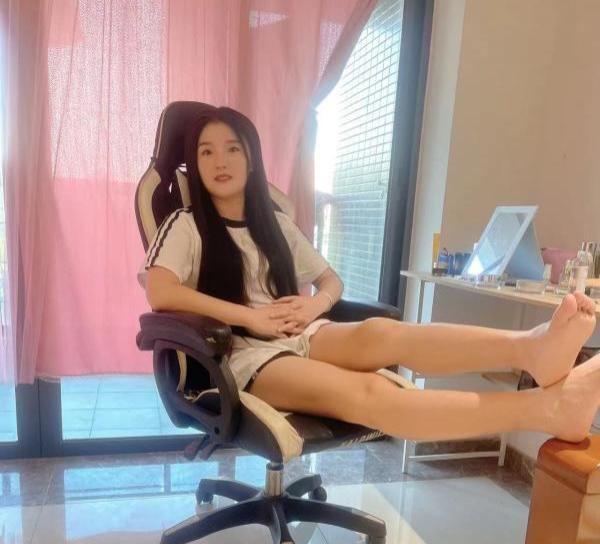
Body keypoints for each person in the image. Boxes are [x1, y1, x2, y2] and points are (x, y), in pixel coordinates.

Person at [139, 106, 600, 445]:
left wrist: (315, 306)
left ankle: (531, 349)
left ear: (252, 160)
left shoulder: (275, 224)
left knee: (384, 331)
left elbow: (331, 281)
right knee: (368, 390)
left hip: (301, 333)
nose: (219, 161)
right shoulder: (186, 224)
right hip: (241, 354)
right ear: (195, 165)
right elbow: (161, 292)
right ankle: (546, 409)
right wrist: (250, 317)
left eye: (232, 149)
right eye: (206, 152)